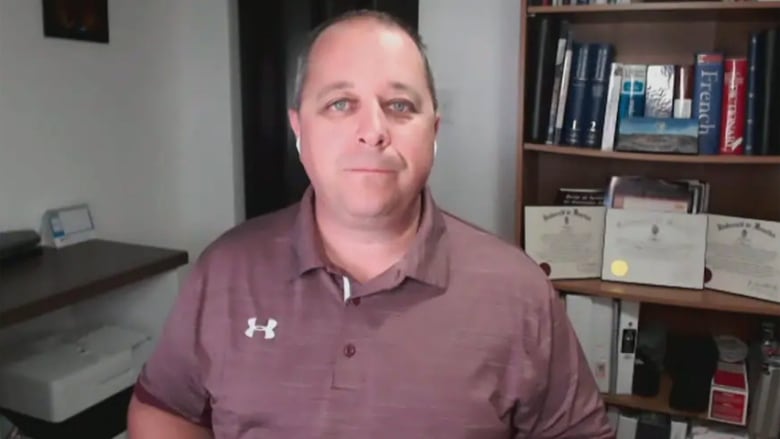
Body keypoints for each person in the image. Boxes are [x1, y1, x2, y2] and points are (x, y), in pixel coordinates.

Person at [127, 9, 614, 439]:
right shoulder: (225, 270)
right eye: (340, 104)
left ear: (434, 131)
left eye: (400, 106)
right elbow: (163, 409)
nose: (373, 131)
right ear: (300, 130)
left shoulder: (519, 291)